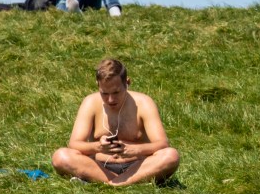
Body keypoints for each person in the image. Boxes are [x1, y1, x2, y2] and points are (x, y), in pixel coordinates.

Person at [52, 59, 180, 186]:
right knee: (60, 156)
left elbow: (162, 144)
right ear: (98, 85)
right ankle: (124, 183)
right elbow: (74, 144)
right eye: (104, 93)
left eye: (116, 92)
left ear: (127, 83)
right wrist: (99, 147)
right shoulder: (90, 102)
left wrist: (135, 150)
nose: (110, 99)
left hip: (137, 166)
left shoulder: (144, 103)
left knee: (171, 155)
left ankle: (112, 184)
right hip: (100, 168)